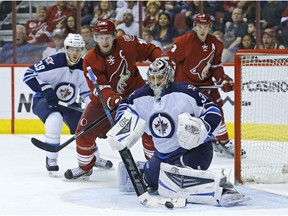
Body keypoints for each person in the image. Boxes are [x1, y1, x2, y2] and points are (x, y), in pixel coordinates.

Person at [106, 58, 248, 207]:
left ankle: (223, 189)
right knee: (157, 179)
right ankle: (146, 171)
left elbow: (213, 111)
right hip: (163, 156)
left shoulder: (185, 91)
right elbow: (124, 106)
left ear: (168, 76)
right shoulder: (140, 96)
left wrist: (203, 126)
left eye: (160, 78)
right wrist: (122, 124)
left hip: (195, 151)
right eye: (152, 78)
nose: (155, 83)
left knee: (177, 178)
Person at [64, 19, 162, 180]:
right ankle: (85, 167)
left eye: (108, 36)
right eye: (100, 37)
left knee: (151, 130)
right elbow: (99, 88)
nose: (105, 41)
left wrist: (161, 59)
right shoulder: (90, 60)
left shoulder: (127, 43)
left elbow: (150, 50)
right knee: (83, 133)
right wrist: (115, 100)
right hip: (104, 104)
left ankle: (155, 165)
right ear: (95, 38)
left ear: (114, 35)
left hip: (137, 96)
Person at [23, 33, 112, 176]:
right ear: (66, 48)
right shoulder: (54, 61)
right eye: (72, 49)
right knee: (55, 119)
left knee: (86, 126)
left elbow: (85, 94)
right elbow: (28, 74)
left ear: (83, 50)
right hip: (45, 100)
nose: (75, 53)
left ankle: (94, 157)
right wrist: (45, 88)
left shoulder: (83, 67)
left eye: (78, 49)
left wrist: (93, 108)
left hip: (68, 104)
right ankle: (51, 159)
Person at [166, 13, 245, 158]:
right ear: (195, 27)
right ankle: (180, 146)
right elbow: (169, 61)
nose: (203, 30)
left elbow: (215, 66)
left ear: (210, 28)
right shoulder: (183, 42)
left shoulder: (216, 44)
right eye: (200, 26)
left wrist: (223, 79)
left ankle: (223, 141)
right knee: (185, 117)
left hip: (207, 85)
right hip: (186, 87)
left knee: (217, 111)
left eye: (206, 27)